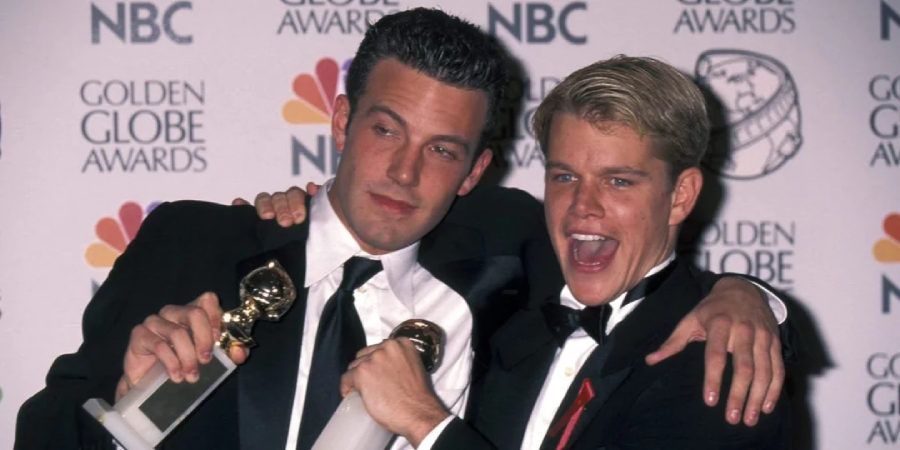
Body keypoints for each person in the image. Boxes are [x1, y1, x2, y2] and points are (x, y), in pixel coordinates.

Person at [15, 9, 784, 450]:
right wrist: (124, 396)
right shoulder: (195, 242)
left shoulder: (511, 257)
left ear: (476, 171)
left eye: (442, 150)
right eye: (386, 131)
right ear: (343, 121)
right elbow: (46, 431)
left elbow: (637, 265)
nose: (405, 173)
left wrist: (743, 296)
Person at [283, 56, 792, 449]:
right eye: (565, 176)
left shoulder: (722, 365)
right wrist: (289, 215)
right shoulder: (515, 305)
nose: (582, 206)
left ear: (680, 196)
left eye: (618, 181)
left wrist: (425, 422)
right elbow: (379, 214)